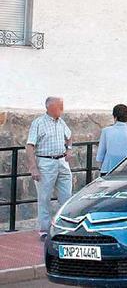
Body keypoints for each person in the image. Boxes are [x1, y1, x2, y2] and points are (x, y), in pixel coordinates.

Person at [26, 97, 73, 240]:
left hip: (62, 162)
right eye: (61, 106)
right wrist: (33, 167)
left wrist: (69, 149)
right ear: (51, 108)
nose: (63, 109)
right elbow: (30, 146)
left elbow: (69, 136)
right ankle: (45, 230)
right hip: (45, 162)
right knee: (44, 197)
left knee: (66, 197)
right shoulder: (38, 123)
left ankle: (64, 227)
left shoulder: (61, 122)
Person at [96, 104, 127, 175]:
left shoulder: (106, 131)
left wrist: (100, 167)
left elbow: (101, 152)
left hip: (108, 167)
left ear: (115, 117)